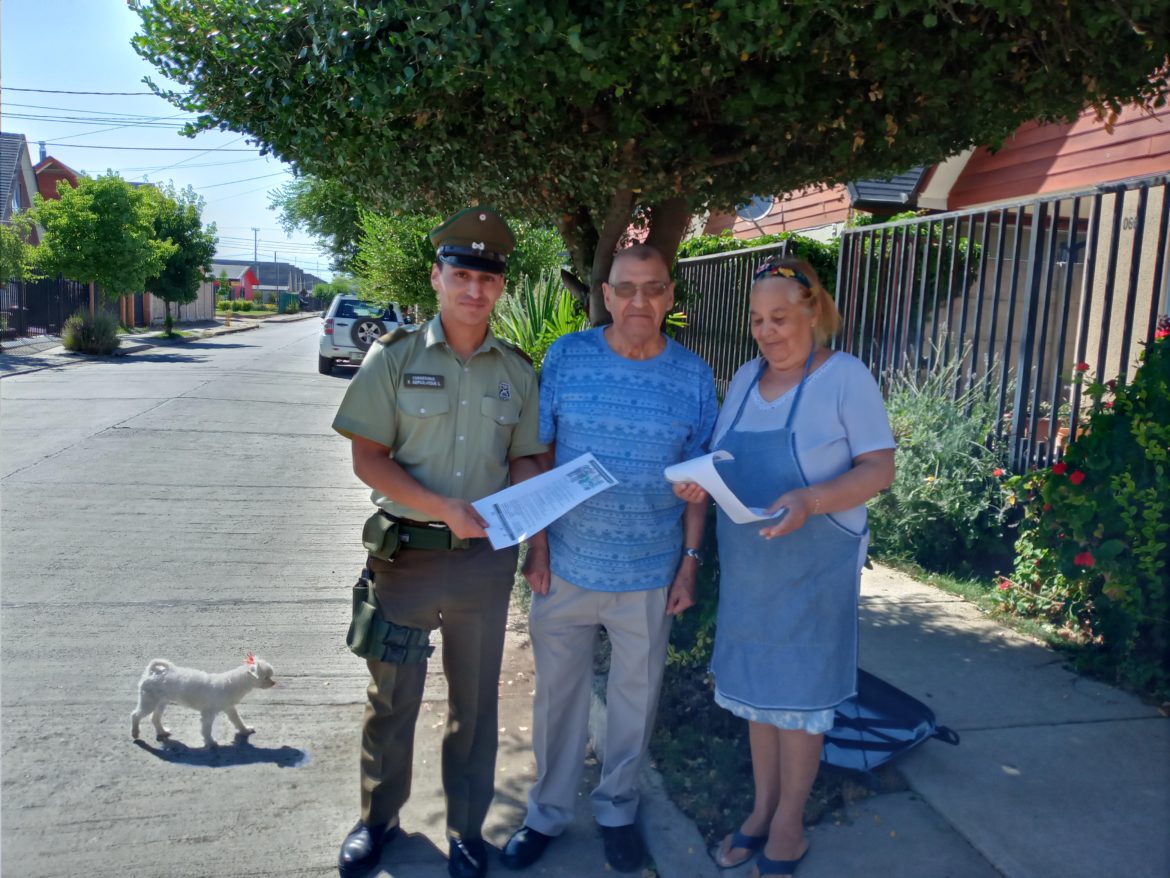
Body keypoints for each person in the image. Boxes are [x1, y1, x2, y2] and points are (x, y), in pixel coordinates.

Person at [331, 206, 547, 878]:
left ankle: (464, 831)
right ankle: (378, 820)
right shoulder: (391, 359)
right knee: (391, 698)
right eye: (462, 273)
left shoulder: (516, 370)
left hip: (484, 564)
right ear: (437, 277)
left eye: (487, 278)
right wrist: (443, 509)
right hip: (406, 560)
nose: (474, 289)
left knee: (474, 706)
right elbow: (369, 457)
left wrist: (531, 517)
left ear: (500, 288)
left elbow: (526, 457)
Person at [673, 256, 895, 878]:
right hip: (752, 569)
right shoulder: (745, 377)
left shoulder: (846, 377)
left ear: (812, 311)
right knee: (761, 697)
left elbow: (879, 468)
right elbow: (725, 458)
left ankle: (789, 826)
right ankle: (761, 810)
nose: (767, 332)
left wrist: (810, 499)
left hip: (815, 567)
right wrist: (701, 483)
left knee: (799, 701)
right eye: (757, 320)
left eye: (779, 317)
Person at [500, 245, 718, 873]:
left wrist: (690, 561)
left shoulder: (693, 375)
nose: (639, 302)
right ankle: (546, 813)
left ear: (671, 296)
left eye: (653, 289)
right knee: (557, 700)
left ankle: (618, 809)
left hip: (650, 572)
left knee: (634, 701)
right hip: (565, 565)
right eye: (626, 289)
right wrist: (535, 548)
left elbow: (699, 478)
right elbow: (537, 455)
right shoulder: (567, 357)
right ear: (606, 294)